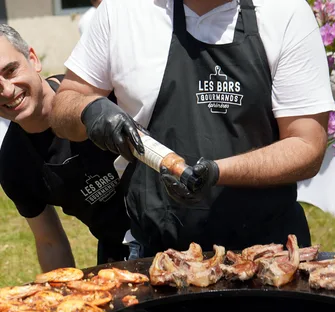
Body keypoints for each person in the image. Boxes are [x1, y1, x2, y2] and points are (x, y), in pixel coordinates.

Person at [50, 0, 335, 257]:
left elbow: (306, 146)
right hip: (158, 256)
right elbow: (64, 105)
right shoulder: (122, 12)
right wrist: (87, 110)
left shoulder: (284, 12)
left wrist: (216, 172)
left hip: (269, 255)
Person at [0, 24, 131, 271]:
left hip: (178, 227)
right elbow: (50, 242)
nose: (7, 90)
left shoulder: (99, 92)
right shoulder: (13, 164)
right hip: (118, 255)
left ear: (33, 59)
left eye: (10, 70)